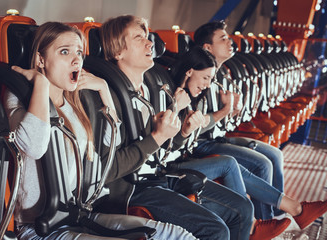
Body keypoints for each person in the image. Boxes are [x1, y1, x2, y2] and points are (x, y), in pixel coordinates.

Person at [4, 21, 198, 240]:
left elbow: (101, 161)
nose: (76, 59)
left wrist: (104, 92)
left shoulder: (74, 102)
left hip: (79, 215)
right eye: (65, 52)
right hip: (39, 228)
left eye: (79, 52)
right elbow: (34, 146)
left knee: (179, 236)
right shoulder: (18, 97)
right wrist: (40, 83)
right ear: (41, 59)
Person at [99, 14, 258, 240]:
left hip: (160, 176)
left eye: (147, 37)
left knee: (243, 209)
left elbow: (164, 148)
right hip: (134, 190)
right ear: (117, 51)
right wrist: (157, 137)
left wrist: (182, 132)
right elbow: (108, 169)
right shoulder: (109, 98)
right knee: (217, 229)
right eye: (138, 38)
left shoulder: (150, 89)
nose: (149, 43)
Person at [169, 45, 327, 238]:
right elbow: (174, 142)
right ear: (190, 70)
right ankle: (266, 221)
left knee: (267, 158)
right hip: (175, 165)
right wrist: (185, 116)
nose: (208, 84)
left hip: (191, 148)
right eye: (205, 78)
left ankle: (272, 219)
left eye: (210, 79)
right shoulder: (171, 93)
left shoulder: (202, 89)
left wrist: (231, 110)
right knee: (238, 164)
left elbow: (203, 122)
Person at [192, 20, 285, 220]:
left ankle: (277, 217)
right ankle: (263, 222)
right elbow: (196, 126)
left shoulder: (223, 74)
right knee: (263, 165)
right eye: (223, 39)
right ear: (207, 47)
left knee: (275, 155)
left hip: (219, 137)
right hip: (201, 144)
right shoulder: (197, 74)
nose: (230, 42)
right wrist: (226, 110)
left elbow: (222, 120)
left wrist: (235, 110)